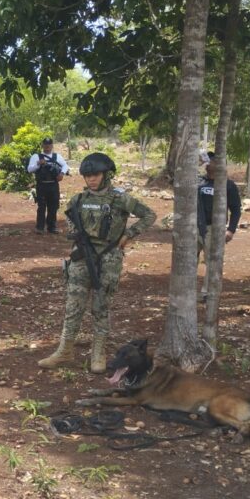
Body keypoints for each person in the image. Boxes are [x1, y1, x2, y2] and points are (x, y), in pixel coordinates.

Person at [38, 153, 156, 373]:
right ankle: (65, 351)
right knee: (73, 306)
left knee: (101, 307)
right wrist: (76, 238)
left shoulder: (120, 198)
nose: (91, 179)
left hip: (109, 259)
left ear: (105, 175)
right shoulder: (79, 200)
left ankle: (98, 353)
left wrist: (129, 234)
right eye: (87, 176)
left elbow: (149, 215)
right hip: (81, 259)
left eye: (95, 175)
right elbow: (70, 219)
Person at [197, 151, 242, 300]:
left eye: (211, 161)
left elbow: (236, 209)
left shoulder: (228, 185)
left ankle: (207, 293)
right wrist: (198, 162)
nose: (208, 163)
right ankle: (189, 291)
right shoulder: (199, 182)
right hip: (194, 227)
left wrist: (230, 230)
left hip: (213, 229)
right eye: (207, 161)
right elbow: (181, 179)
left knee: (212, 262)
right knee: (190, 260)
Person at [27, 137, 70, 234]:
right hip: (41, 185)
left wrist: (62, 174)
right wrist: (38, 164)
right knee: (41, 206)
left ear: (52, 146)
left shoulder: (57, 156)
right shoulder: (36, 156)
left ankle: (52, 227)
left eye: (49, 145)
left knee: (53, 206)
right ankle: (40, 228)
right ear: (42, 146)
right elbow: (29, 169)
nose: (47, 147)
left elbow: (65, 165)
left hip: (53, 185)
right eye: (45, 145)